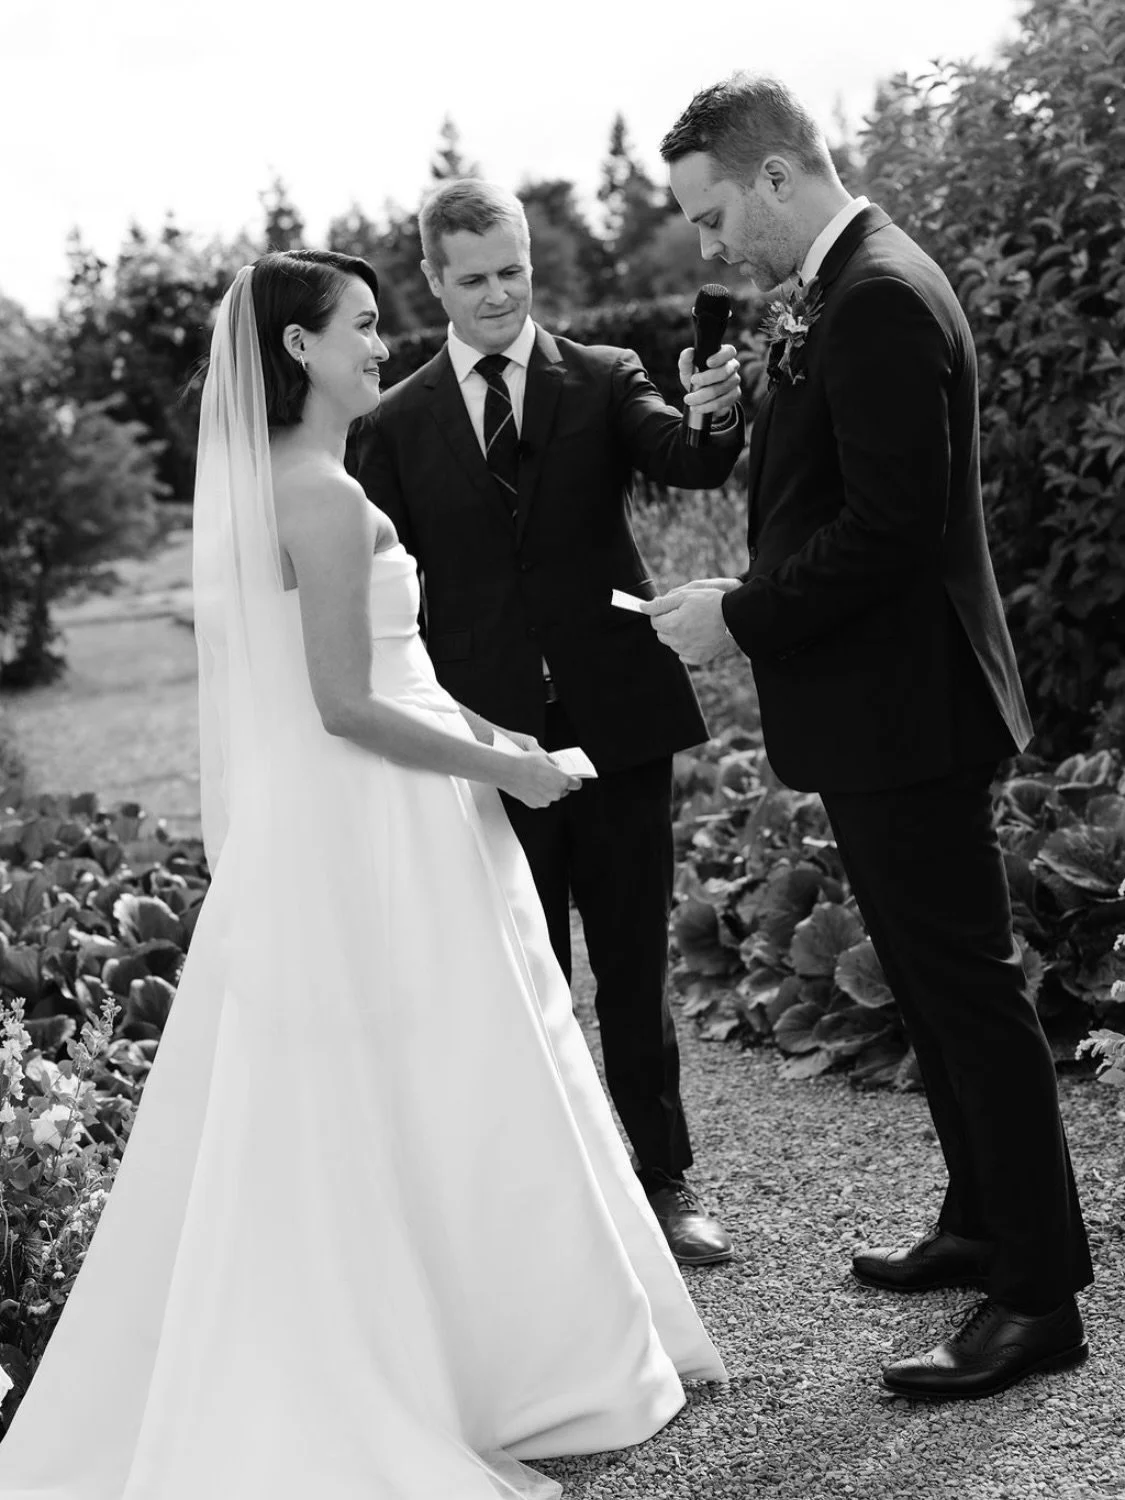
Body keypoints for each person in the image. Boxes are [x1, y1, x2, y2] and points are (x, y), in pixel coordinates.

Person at [0, 251, 728, 1500]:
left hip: (379, 805)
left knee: (419, 1071)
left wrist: (501, 740)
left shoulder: (298, 483)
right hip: (372, 816)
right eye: (361, 325)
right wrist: (507, 772)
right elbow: (345, 702)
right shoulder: (322, 498)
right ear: (298, 348)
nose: (383, 345)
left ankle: (482, 1347)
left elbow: (404, 675)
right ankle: (472, 1364)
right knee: (438, 1067)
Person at [648, 73, 1093, 1399]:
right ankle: (980, 1222)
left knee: (970, 997)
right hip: (881, 710)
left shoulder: (880, 295)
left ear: (777, 177)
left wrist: (740, 616)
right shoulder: (841, 289)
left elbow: (890, 531)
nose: (711, 242)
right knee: (930, 980)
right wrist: (739, 417)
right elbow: (823, 485)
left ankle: (1038, 1299)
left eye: (714, 212)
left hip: (912, 711)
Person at [354, 179, 741, 1266]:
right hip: (489, 745)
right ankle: (551, 1201)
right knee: (523, 974)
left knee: (633, 964)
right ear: (433, 282)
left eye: (512, 272)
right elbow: (387, 591)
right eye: (473, 278)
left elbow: (694, 458)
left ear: (531, 263)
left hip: (620, 724)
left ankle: (664, 1180)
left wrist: (715, 407)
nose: (497, 295)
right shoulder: (392, 425)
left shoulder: (605, 376)